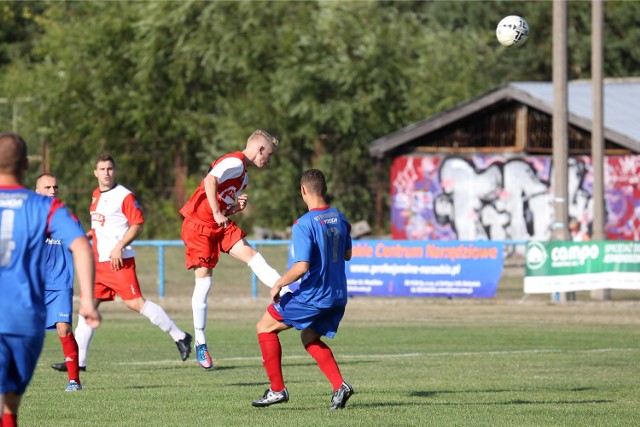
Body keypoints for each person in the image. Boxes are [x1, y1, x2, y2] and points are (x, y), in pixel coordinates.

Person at [51, 154, 191, 373]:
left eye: (110, 169)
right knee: (87, 309)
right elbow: (103, 225)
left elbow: (137, 225)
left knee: (136, 303)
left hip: (118, 262)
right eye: (102, 169)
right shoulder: (96, 194)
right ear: (95, 173)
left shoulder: (124, 196)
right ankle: (78, 361)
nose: (106, 173)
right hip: (99, 264)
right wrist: (91, 234)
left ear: (114, 171)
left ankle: (180, 336)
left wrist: (118, 247)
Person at [0, 133, 101, 427]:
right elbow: (82, 246)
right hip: (25, 312)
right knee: (10, 399)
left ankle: (73, 379)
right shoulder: (43, 209)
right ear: (24, 168)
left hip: (16, 298)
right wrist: (89, 301)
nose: (53, 191)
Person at [180, 129, 287, 370]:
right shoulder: (234, 161)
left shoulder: (244, 177)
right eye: (268, 155)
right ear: (260, 148)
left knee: (253, 255)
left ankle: (287, 290)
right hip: (199, 226)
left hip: (220, 225)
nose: (268, 160)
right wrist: (217, 212)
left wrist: (231, 210)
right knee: (204, 282)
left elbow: (220, 203)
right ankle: (200, 341)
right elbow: (210, 180)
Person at [251, 169, 354, 410]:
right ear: (324, 189)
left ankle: (277, 390)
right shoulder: (339, 217)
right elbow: (347, 254)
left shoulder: (304, 223)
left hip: (315, 295)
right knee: (309, 337)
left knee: (264, 327)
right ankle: (340, 387)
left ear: (303, 191)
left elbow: (302, 266)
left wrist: (278, 283)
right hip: (338, 296)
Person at [35, 173, 85, 392]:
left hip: (60, 285)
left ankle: (74, 381)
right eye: (47, 187)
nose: (53, 190)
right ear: (37, 192)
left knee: (63, 329)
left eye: (55, 187)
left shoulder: (69, 219)